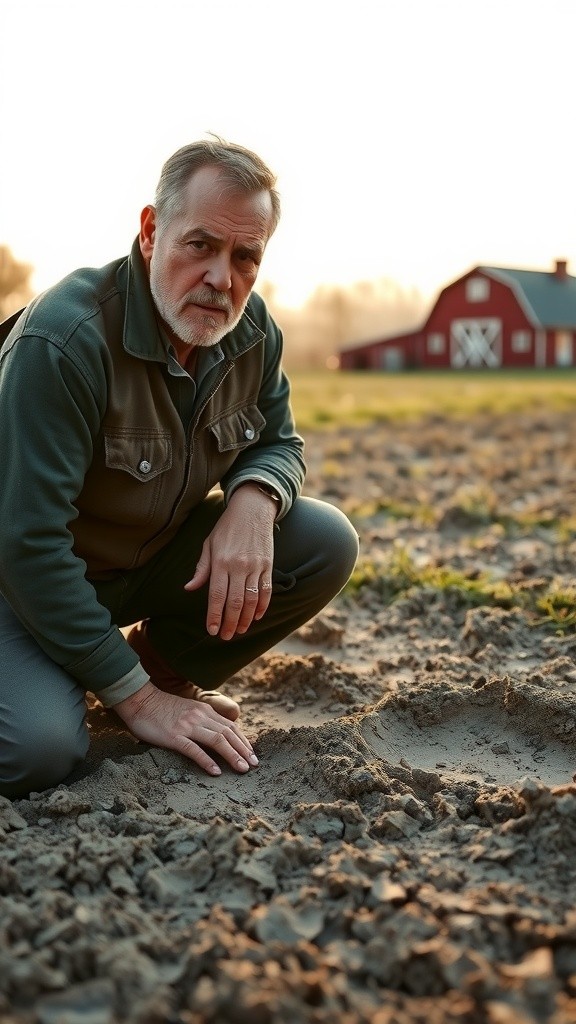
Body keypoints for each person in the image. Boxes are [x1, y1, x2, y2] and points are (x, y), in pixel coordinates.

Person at [0, 138, 359, 799]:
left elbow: (280, 442)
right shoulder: (64, 341)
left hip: (136, 571)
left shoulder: (252, 334)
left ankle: (161, 666)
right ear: (150, 232)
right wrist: (137, 704)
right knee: (39, 751)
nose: (222, 278)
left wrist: (254, 499)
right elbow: (26, 546)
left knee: (322, 541)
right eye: (201, 246)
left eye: (244, 256)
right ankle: (112, 680)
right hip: (19, 586)